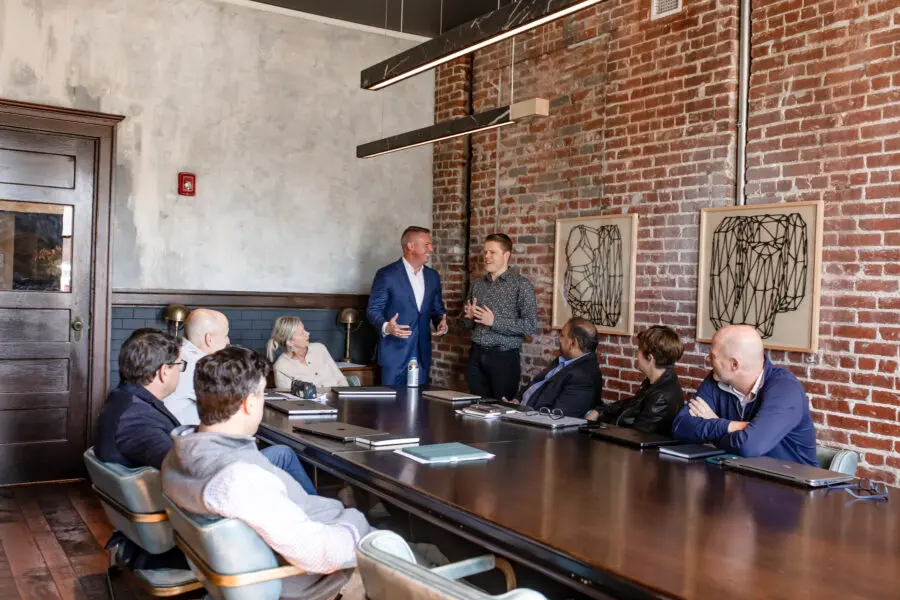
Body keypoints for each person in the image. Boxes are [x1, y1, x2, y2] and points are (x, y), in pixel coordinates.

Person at [162, 346, 370, 597]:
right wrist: (355, 519)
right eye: (262, 394)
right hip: (320, 578)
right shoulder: (240, 480)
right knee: (414, 557)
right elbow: (321, 555)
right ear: (249, 404)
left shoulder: (177, 453)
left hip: (294, 541)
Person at [97, 328, 318, 494]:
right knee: (284, 455)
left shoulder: (125, 399)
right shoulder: (136, 418)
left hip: (189, 485)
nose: (180, 372)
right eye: (179, 365)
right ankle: (311, 518)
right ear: (164, 372)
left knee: (281, 453)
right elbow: (185, 470)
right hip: (202, 492)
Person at [672, 325, 817, 466]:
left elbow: (749, 447)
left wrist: (715, 423)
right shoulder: (717, 379)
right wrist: (732, 426)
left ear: (734, 364)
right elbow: (680, 426)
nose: (708, 359)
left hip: (794, 486)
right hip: (740, 478)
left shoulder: (785, 388)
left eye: (713, 356)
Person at [366, 226, 448, 386]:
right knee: (390, 407)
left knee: (420, 404)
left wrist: (441, 323)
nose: (431, 249)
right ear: (411, 246)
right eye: (427, 244)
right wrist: (386, 327)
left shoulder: (433, 276)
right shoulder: (387, 274)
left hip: (422, 353)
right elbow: (373, 310)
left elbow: (437, 309)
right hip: (394, 353)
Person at [461, 233, 538, 400]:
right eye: (485, 252)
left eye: (492, 252)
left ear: (506, 255)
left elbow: (530, 325)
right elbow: (467, 326)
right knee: (475, 407)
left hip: (504, 359)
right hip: (476, 355)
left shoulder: (522, 285)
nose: (486, 257)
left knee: (502, 411)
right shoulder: (477, 285)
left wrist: (495, 322)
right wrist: (467, 318)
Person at [586, 325, 684, 435]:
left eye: (639, 351)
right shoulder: (657, 381)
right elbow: (633, 403)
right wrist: (600, 410)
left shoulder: (661, 398)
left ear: (650, 358)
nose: (637, 355)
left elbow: (637, 437)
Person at [506, 317, 603, 418]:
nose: (558, 339)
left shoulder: (583, 377)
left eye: (562, 335)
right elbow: (536, 384)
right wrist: (516, 401)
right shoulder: (563, 360)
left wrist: (519, 413)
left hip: (531, 422)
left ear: (573, 342)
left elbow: (556, 417)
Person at [163, 308, 230, 425]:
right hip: (183, 437)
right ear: (209, 339)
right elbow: (228, 408)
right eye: (225, 335)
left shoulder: (174, 354)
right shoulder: (202, 367)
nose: (228, 341)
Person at [267, 316, 349, 390]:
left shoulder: (320, 349)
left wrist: (345, 398)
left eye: (305, 330)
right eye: (302, 333)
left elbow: (341, 379)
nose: (308, 334)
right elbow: (290, 400)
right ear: (289, 342)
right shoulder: (281, 367)